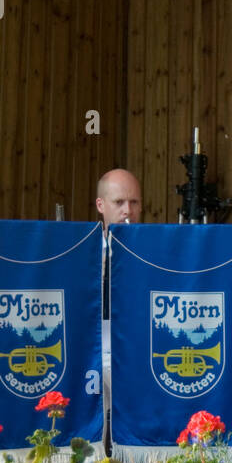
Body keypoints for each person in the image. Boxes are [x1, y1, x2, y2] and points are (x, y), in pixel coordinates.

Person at [96, 169, 142, 405]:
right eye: (119, 202)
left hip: (137, 356)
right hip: (94, 356)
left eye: (134, 202)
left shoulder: (154, 254)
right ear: (101, 205)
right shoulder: (83, 252)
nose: (128, 211)